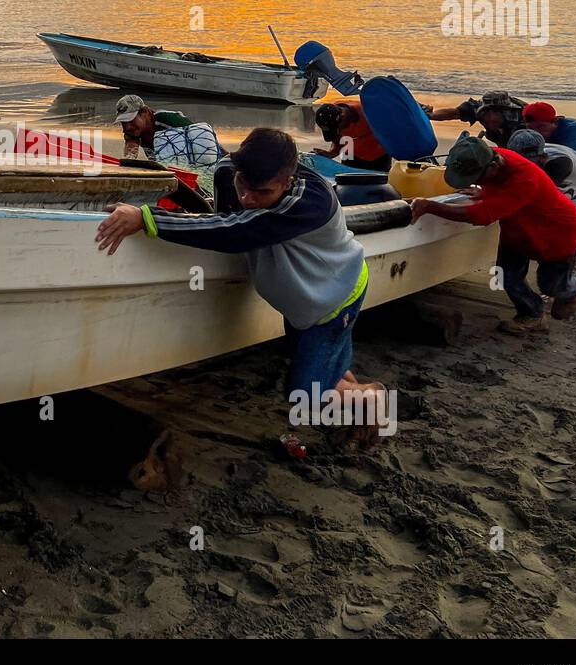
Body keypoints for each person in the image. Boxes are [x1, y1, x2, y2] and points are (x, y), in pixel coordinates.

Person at [95, 128, 385, 438]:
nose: (247, 198)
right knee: (319, 361)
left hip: (334, 299)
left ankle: (374, 397)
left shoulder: (311, 203)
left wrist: (146, 218)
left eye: (262, 193)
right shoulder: (229, 172)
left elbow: (235, 231)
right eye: (242, 185)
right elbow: (224, 216)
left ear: (287, 182)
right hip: (306, 297)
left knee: (306, 396)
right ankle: (350, 390)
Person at [410, 134, 576, 334]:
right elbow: (497, 189)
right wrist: (485, 192)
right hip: (518, 231)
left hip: (557, 234)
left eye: (476, 179)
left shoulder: (525, 179)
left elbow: (481, 215)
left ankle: (575, 285)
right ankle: (533, 314)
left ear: (492, 167)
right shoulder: (488, 157)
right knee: (505, 276)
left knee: (551, 287)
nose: (474, 182)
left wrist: (430, 206)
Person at [508, 128, 576, 293]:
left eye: (530, 162)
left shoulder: (558, 164)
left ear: (543, 157)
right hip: (565, 195)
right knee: (565, 242)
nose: (525, 165)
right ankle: (564, 280)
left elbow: (538, 197)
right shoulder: (518, 158)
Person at [114, 93, 225, 190]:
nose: (127, 127)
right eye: (123, 122)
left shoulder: (166, 119)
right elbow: (130, 156)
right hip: (172, 171)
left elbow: (202, 138)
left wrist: (228, 159)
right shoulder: (133, 131)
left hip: (203, 163)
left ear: (145, 112)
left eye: (131, 120)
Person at [313, 99, 391, 171]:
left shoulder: (369, 113)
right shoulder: (333, 114)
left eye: (338, 129)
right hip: (350, 155)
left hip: (378, 158)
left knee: (377, 185)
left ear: (343, 117)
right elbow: (337, 140)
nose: (339, 132)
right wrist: (331, 153)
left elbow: (394, 133)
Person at [427, 91, 526, 147]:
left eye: (496, 112)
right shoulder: (477, 109)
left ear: (505, 112)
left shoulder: (521, 118)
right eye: (487, 112)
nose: (491, 118)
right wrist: (431, 115)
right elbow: (454, 113)